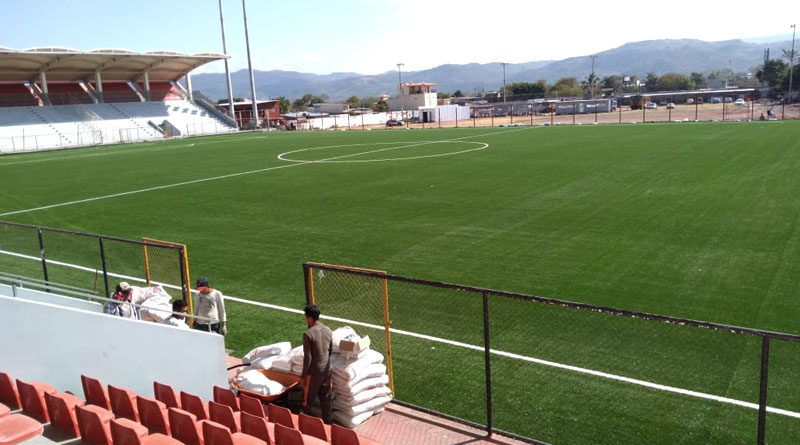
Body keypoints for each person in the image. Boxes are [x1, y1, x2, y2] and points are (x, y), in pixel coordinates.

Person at [300, 304, 333, 424]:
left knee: (307, 400)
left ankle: (305, 426)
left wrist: (303, 377)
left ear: (309, 318)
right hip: (327, 370)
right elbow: (331, 351)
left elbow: (307, 358)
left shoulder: (308, 334)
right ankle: (328, 425)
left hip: (315, 372)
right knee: (326, 400)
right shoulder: (328, 330)